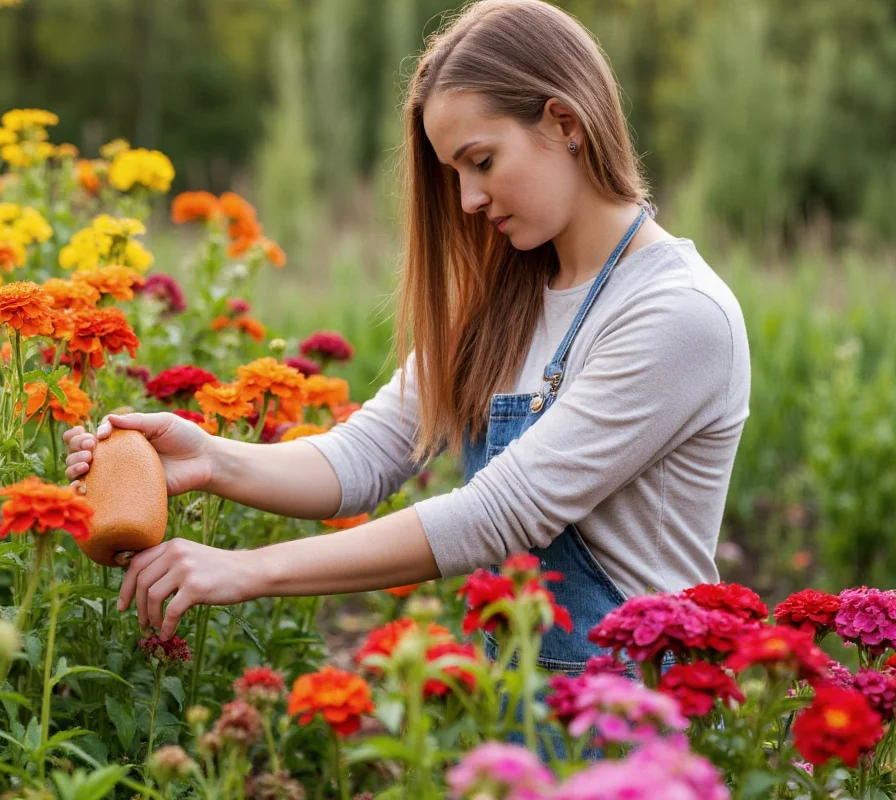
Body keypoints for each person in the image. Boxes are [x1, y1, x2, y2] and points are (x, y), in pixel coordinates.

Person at [62, 0, 750, 674]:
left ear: (565, 122)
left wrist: (248, 569)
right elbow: (365, 458)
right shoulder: (504, 305)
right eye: (453, 173)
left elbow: (503, 513)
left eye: (480, 161)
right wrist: (209, 459)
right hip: (515, 702)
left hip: (640, 722)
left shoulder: (676, 314)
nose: (467, 201)